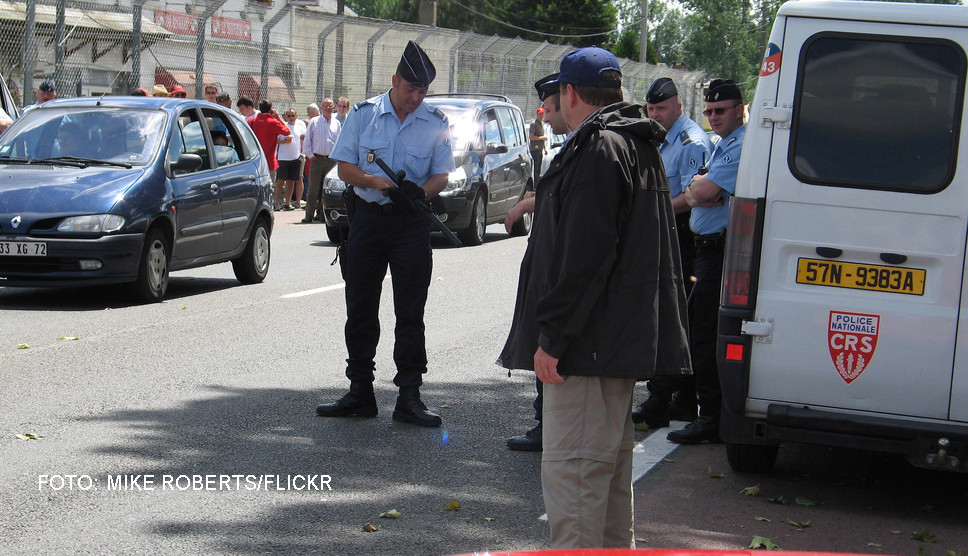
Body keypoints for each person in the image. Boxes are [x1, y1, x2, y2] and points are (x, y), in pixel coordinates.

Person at [501, 46, 690, 548]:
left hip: (586, 349)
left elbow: (586, 259)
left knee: (576, 485)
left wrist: (554, 339)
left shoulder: (600, 148)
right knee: (604, 487)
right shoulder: (633, 142)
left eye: (555, 95)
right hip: (611, 345)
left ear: (570, 91)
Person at [315, 40, 455, 428]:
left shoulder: (436, 121)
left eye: (423, 91)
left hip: (410, 223)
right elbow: (344, 167)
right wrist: (373, 181)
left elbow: (442, 173)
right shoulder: (363, 115)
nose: (416, 97)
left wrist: (422, 192)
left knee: (411, 311)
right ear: (395, 80)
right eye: (410, 88)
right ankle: (360, 391)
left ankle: (409, 396)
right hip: (369, 221)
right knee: (360, 306)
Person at [666, 78, 746, 445]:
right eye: (710, 111)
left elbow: (702, 191)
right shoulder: (723, 144)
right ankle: (702, 409)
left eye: (721, 110)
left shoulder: (739, 145)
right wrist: (701, 187)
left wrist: (701, 186)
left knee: (705, 333)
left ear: (739, 109)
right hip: (705, 248)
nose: (713, 116)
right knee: (698, 328)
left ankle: (711, 415)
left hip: (719, 250)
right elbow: (699, 191)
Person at [632, 77, 715, 429]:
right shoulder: (659, 136)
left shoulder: (690, 142)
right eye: (651, 108)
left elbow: (693, 196)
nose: (655, 114)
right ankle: (680, 398)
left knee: (672, 317)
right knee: (677, 315)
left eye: (661, 108)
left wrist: (653, 208)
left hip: (682, 235)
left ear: (678, 107)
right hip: (666, 231)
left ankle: (662, 398)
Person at [502, 72, 567, 452]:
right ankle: (547, 422)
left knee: (552, 333)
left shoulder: (581, 146)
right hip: (550, 253)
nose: (547, 113)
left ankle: (549, 426)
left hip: (561, 262)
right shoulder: (570, 144)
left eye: (550, 105)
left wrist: (525, 204)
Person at [301, 98, 341, 223]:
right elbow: (307, 141)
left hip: (331, 160)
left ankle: (323, 215)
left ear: (333, 107)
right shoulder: (314, 122)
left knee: (326, 189)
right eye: (326, 106)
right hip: (317, 159)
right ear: (322, 108)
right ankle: (309, 216)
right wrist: (311, 155)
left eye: (330, 106)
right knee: (313, 189)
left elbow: (339, 142)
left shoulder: (336, 123)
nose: (328, 108)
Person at [249, 99, 291, 185]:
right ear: (270, 109)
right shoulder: (273, 122)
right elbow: (287, 131)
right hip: (269, 161)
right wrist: (277, 117)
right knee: (269, 186)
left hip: (255, 160)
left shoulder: (252, 121)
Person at [275, 108, 307, 210]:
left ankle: (287, 203)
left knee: (291, 181)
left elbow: (303, 138)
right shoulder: (282, 126)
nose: (291, 118)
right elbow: (275, 140)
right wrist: (282, 141)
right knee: (280, 181)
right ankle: (276, 203)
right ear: (285, 117)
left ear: (296, 116)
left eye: (293, 115)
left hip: (295, 157)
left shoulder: (300, 126)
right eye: (289, 116)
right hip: (283, 158)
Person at [528, 107, 548, 185]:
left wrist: (545, 148)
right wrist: (543, 138)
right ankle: (535, 185)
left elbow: (541, 138)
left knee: (538, 169)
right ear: (537, 114)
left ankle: (537, 184)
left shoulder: (542, 124)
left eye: (542, 114)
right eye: (540, 114)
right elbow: (531, 137)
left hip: (540, 149)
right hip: (534, 149)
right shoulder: (533, 124)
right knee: (535, 169)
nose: (541, 116)